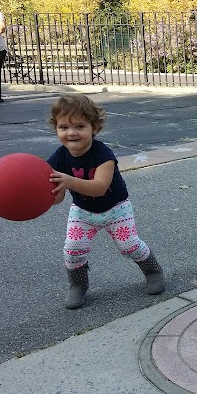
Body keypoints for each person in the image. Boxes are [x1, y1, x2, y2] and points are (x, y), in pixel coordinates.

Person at [46, 94, 165, 309]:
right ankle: (78, 285)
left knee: (129, 246)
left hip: (115, 209)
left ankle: (153, 270)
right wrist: (48, 195)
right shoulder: (59, 157)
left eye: (80, 126)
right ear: (56, 130)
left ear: (95, 128)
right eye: (64, 127)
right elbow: (57, 196)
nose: (71, 132)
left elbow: (99, 187)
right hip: (83, 211)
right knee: (73, 249)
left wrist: (69, 181)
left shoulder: (103, 155)